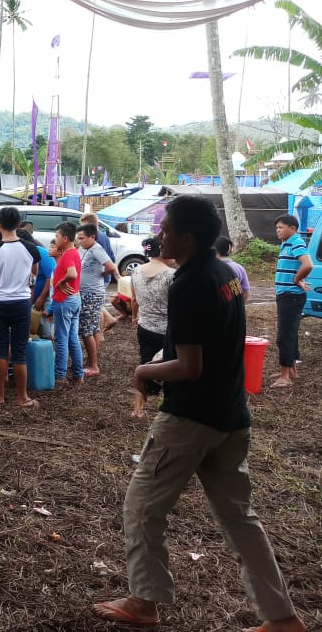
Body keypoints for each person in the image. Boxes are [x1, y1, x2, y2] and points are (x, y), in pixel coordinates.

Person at [92, 195, 306, 632]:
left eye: (166, 228)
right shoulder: (225, 273)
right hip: (231, 415)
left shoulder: (189, 283)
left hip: (190, 419)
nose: (160, 236)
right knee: (240, 518)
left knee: (141, 507)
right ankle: (281, 617)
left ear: (186, 238)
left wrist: (143, 370)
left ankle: (144, 602)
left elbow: (190, 366)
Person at [0, 206, 40, 407]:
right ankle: (22, 397)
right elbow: (34, 272)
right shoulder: (31, 248)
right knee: (19, 350)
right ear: (19, 224)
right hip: (22, 301)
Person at [128, 236, 174, 417]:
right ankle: (168, 408)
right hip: (167, 331)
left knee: (145, 365)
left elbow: (134, 299)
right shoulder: (171, 274)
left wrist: (134, 316)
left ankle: (138, 409)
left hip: (145, 327)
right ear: (162, 250)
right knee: (170, 369)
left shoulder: (136, 271)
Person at [41, 222, 83, 385]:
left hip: (65, 300)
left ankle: (60, 374)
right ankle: (78, 374)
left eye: (57, 236)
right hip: (74, 298)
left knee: (61, 338)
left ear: (65, 238)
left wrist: (60, 282)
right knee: (72, 337)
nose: (55, 239)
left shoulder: (67, 255)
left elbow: (72, 274)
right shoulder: (74, 253)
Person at [272, 215, 311, 389]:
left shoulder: (296, 242)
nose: (278, 230)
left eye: (281, 227)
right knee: (291, 333)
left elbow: (307, 264)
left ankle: (284, 376)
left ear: (293, 228)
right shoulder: (287, 242)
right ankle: (292, 370)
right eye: (277, 228)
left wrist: (296, 279)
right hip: (286, 295)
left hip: (291, 296)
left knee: (285, 335)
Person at [76, 223, 117, 378]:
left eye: (82, 238)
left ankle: (93, 365)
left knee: (87, 330)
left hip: (92, 294)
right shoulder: (87, 249)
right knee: (91, 329)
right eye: (79, 238)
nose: (80, 241)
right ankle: (90, 361)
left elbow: (111, 267)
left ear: (92, 237)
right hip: (86, 293)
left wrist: (101, 274)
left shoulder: (96, 249)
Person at [216, 236, 250, 303]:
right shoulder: (238, 267)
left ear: (215, 250)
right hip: (234, 306)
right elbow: (245, 292)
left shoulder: (212, 268)